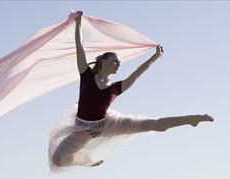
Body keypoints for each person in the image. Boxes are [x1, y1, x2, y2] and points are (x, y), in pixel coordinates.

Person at [48, 11, 214, 169]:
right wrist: (78, 24)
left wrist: (155, 57)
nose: (118, 64)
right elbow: (80, 47)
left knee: (154, 125)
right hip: (83, 130)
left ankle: (193, 119)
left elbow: (138, 73)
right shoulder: (86, 74)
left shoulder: (116, 88)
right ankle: (84, 162)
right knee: (57, 160)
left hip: (106, 125)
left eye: (119, 63)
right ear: (104, 61)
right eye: (115, 61)